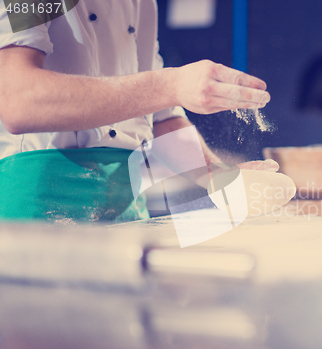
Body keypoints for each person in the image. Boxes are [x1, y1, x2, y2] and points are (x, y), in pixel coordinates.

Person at [0, 0, 277, 222]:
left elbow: (159, 115)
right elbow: (19, 100)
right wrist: (171, 84)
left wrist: (215, 174)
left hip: (128, 209)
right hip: (39, 207)